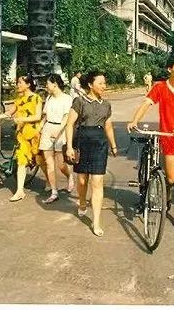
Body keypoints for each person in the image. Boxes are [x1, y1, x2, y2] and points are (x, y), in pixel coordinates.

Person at [127, 56, 174, 231]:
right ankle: (168, 192)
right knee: (171, 177)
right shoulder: (160, 87)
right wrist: (135, 120)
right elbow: (146, 104)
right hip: (168, 137)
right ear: (169, 69)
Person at [65, 71, 118, 237]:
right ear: (90, 84)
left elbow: (108, 126)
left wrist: (113, 145)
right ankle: (82, 202)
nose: (104, 86)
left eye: (104, 83)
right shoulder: (79, 101)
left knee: (97, 182)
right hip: (82, 142)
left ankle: (96, 222)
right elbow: (69, 124)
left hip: (100, 144)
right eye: (100, 83)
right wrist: (69, 147)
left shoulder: (106, 104)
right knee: (82, 180)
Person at [5, 74, 43, 202]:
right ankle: (20, 191)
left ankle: (52, 182)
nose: (18, 85)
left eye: (20, 82)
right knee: (21, 161)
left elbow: (37, 116)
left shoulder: (36, 98)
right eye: (18, 82)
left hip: (34, 134)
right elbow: (8, 113)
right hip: (21, 135)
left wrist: (22, 119)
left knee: (40, 160)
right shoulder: (18, 100)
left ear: (28, 84)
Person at [38, 74, 74, 204]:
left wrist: (58, 131)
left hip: (61, 130)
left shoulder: (67, 99)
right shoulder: (49, 98)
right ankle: (54, 192)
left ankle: (69, 176)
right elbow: (45, 116)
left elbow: (66, 117)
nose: (46, 86)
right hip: (48, 129)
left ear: (55, 84)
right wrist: (40, 127)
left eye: (47, 84)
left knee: (60, 163)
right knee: (49, 163)